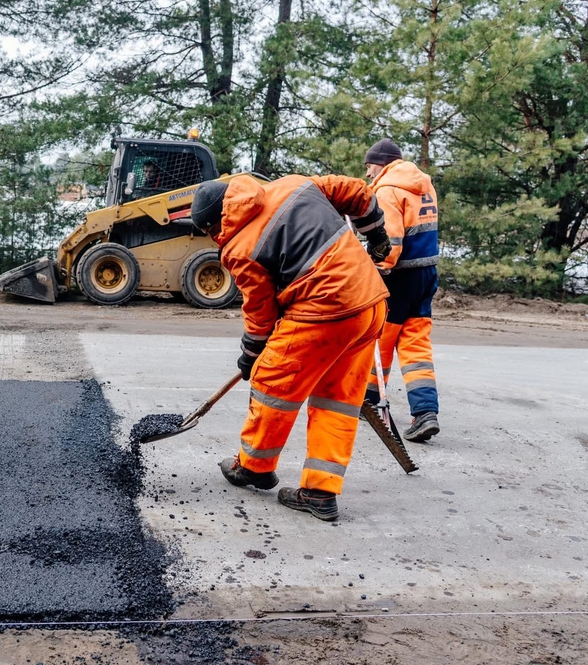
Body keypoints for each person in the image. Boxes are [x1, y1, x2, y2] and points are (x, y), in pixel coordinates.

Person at [189, 172, 391, 522]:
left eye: (208, 232)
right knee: (336, 399)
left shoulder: (238, 247)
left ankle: (253, 467)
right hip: (370, 304)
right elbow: (357, 191)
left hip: (325, 310)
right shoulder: (294, 184)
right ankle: (320, 492)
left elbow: (260, 313)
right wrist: (377, 235)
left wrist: (251, 356)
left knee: (272, 384)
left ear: (214, 223)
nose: (211, 238)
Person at [361, 138, 441, 442]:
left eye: (369, 166)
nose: (368, 174)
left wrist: (374, 267)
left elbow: (390, 243)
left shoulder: (386, 191)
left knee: (380, 337)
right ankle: (425, 413)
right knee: (416, 347)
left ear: (381, 163)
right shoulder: (424, 186)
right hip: (426, 274)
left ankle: (368, 398)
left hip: (400, 277)